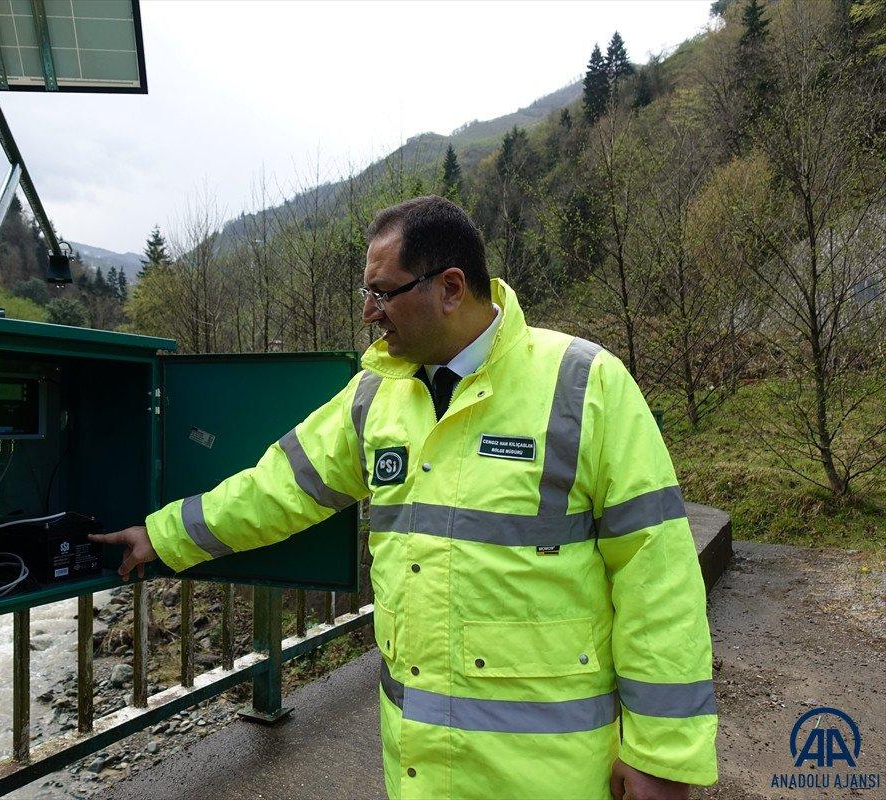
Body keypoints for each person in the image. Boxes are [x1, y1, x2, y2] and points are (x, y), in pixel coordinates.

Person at [89, 196, 718, 800]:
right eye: (367, 292)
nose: (369, 312)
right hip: (419, 770)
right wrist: (163, 536)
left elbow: (657, 575)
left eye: (383, 292)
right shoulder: (377, 394)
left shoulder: (585, 384)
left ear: (449, 287)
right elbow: (277, 488)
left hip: (553, 776)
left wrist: (661, 757)